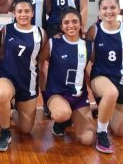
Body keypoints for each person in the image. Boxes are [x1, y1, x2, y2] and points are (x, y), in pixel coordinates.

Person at [87, 0, 123, 154]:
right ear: (99, 11)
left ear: (119, 9)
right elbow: (89, 58)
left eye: (112, 7)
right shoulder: (94, 30)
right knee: (111, 93)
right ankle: (101, 133)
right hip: (101, 77)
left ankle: (104, 110)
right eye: (104, 8)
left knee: (120, 131)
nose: (109, 11)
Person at [0, 0, 47, 152]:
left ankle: (10, 111)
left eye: (26, 11)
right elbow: (1, 52)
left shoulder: (40, 33)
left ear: (32, 13)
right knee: (3, 95)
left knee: (25, 129)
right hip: (8, 76)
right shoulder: (6, 30)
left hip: (28, 81)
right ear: (14, 14)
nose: (23, 14)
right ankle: (5, 132)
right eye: (19, 11)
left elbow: (43, 56)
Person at [39, 8, 95, 144]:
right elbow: (37, 62)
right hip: (57, 95)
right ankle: (62, 120)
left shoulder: (88, 46)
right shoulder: (53, 43)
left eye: (75, 21)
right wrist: (44, 92)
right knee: (62, 113)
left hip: (79, 97)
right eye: (66, 22)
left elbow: (98, 68)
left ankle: (68, 120)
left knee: (87, 139)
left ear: (81, 24)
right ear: (61, 26)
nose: (71, 25)